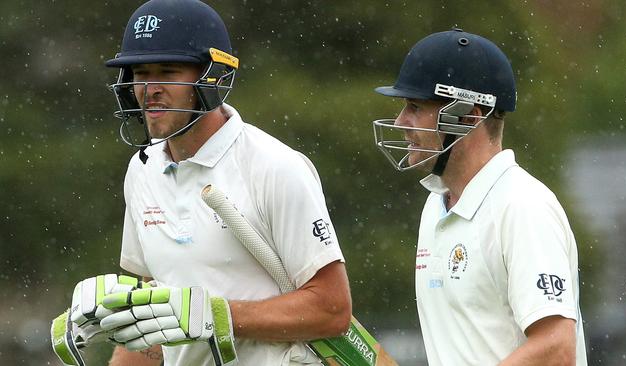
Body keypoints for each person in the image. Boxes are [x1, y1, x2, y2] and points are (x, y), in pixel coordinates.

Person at [53, 1, 352, 365]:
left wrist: (217, 316)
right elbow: (155, 321)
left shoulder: (274, 167)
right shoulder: (142, 170)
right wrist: (123, 321)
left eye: (167, 71)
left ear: (212, 76)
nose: (150, 89)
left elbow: (331, 310)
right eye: (140, 73)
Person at [372, 28, 587, 365]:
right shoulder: (436, 205)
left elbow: (557, 349)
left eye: (414, 106)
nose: (401, 122)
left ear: (468, 115)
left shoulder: (522, 206)